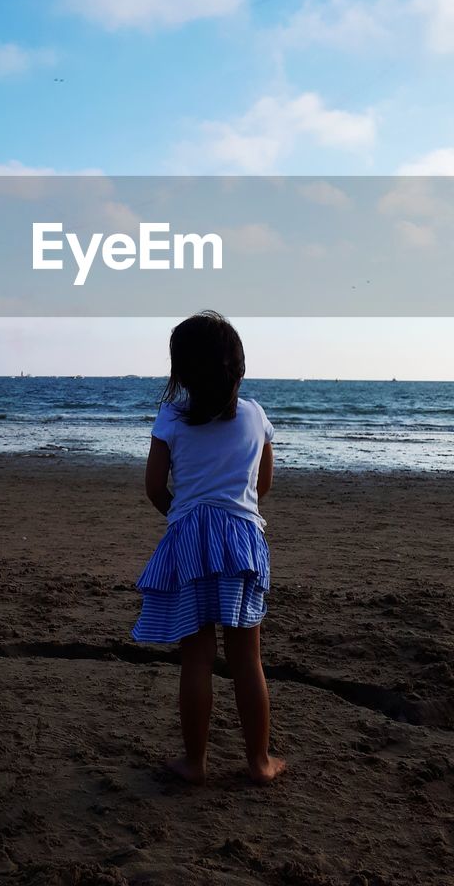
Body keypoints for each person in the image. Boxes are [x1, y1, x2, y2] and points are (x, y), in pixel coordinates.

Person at [131, 310, 286, 785]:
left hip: (190, 540)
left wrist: (181, 515)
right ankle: (259, 762)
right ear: (238, 368)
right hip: (242, 541)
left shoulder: (171, 418)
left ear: (181, 374)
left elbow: (155, 487)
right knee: (247, 660)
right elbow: (263, 485)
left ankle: (195, 763)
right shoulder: (256, 415)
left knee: (196, 658)